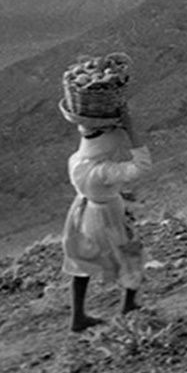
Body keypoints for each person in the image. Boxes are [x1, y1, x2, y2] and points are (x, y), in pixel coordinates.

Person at [59, 103, 152, 333]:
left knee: (82, 262)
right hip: (106, 214)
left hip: (82, 212)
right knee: (131, 254)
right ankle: (129, 305)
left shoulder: (77, 161)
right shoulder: (103, 171)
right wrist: (131, 132)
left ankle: (78, 316)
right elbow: (142, 167)